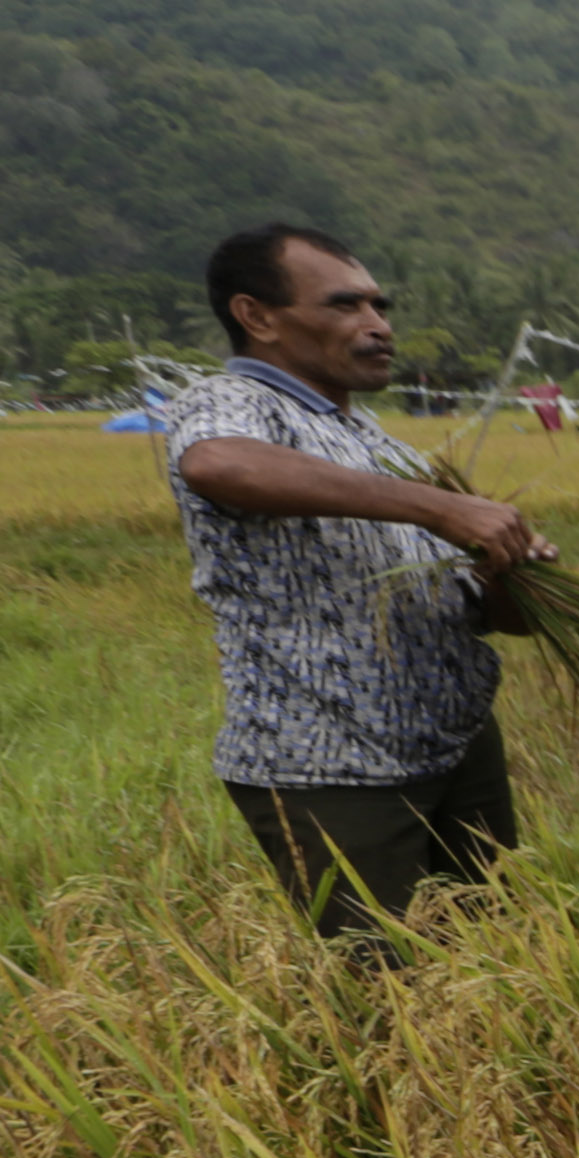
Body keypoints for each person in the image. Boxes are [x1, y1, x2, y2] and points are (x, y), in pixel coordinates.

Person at [160, 225, 551, 948]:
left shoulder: (375, 441)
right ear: (258, 317)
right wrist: (442, 507)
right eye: (346, 306)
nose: (378, 327)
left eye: (379, 306)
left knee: (496, 968)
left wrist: (512, 573)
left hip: (455, 747)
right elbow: (216, 464)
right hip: (334, 763)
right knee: (390, 999)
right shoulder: (234, 401)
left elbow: (489, 616)